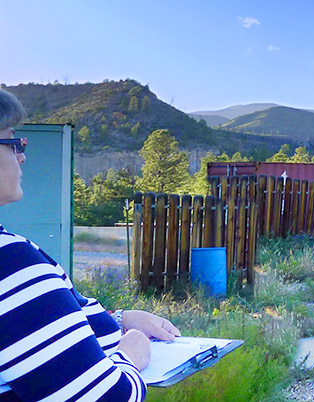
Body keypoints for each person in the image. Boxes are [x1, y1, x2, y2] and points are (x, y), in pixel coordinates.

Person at [0, 88, 181, 402]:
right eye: (13, 142)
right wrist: (132, 353)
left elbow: (29, 327)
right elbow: (104, 397)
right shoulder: (9, 262)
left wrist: (117, 319)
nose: (22, 155)